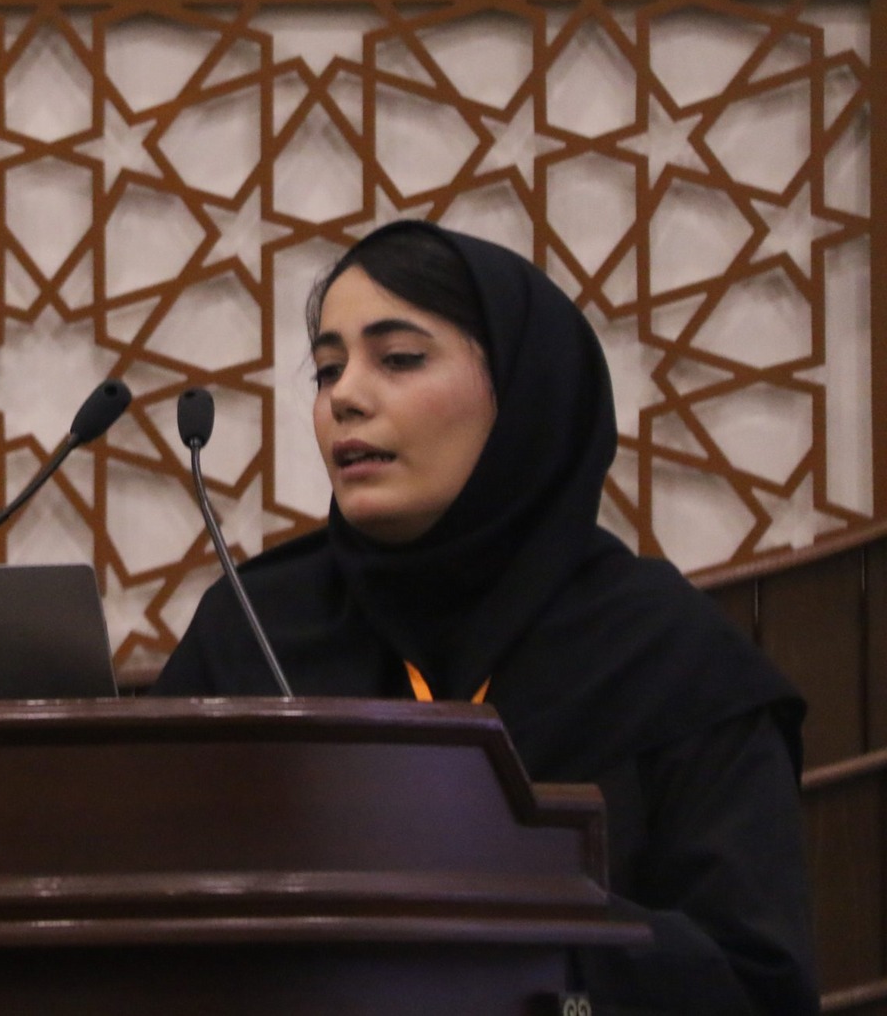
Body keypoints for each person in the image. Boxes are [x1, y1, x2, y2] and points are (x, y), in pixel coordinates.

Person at [153, 220, 818, 1015]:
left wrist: (521, 932)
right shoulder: (252, 628)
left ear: (521, 391)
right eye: (328, 370)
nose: (345, 397)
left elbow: (758, 986)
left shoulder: (671, 656)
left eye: (399, 358)